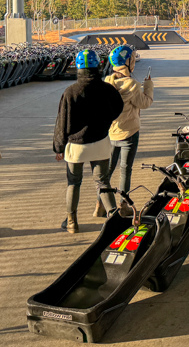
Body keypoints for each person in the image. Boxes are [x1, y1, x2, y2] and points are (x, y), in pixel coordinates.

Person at [53, 49, 123, 234]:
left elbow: (62, 121)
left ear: (77, 68)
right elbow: (118, 108)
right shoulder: (107, 89)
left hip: (76, 147)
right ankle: (114, 219)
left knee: (73, 183)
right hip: (100, 143)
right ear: (98, 66)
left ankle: (71, 222)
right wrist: (104, 124)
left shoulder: (70, 92)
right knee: (102, 182)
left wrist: (59, 147)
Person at [104, 44, 153, 214]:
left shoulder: (107, 83)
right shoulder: (131, 84)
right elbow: (145, 103)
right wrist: (148, 86)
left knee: (107, 171)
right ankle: (123, 205)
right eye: (132, 59)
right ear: (128, 63)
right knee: (125, 170)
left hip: (111, 133)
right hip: (129, 134)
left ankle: (100, 204)